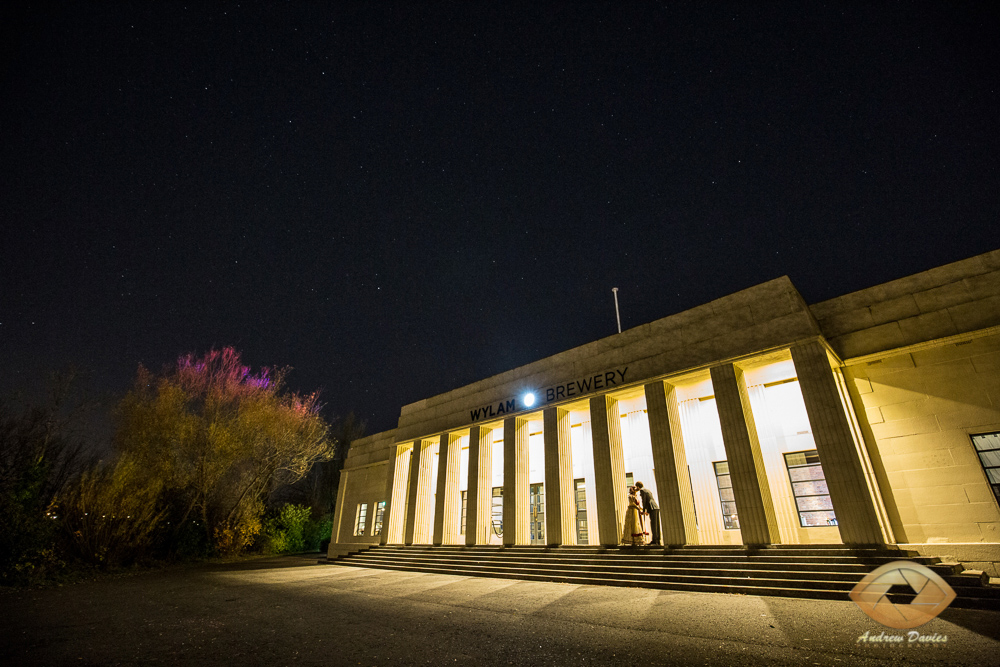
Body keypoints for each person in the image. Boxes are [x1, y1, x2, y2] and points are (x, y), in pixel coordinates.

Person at [635, 481, 661, 546]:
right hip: (655, 507)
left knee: (653, 524)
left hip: (652, 507)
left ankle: (655, 541)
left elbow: (644, 501)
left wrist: (644, 510)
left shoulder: (642, 490)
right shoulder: (647, 490)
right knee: (656, 524)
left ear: (638, 486)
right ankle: (657, 540)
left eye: (636, 487)